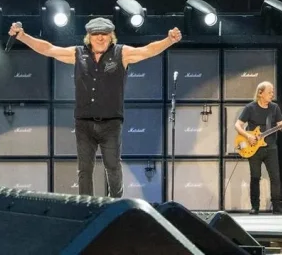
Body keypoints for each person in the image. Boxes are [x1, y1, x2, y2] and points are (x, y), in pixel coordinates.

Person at [9, 17, 181, 197]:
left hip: (111, 124)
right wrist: (23, 37)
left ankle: (115, 205)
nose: (100, 38)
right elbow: (48, 49)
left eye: (104, 34)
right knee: (84, 170)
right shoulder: (78, 54)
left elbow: (147, 50)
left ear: (111, 36)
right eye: (96, 34)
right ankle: (87, 207)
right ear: (89, 37)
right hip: (84, 123)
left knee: (113, 166)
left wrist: (169, 40)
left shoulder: (121, 53)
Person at [235, 81, 282, 214]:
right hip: (253, 147)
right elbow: (237, 125)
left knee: (275, 177)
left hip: (271, 147)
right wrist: (248, 136)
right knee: (255, 177)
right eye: (269, 92)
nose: (272, 94)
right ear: (260, 93)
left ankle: (276, 206)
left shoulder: (274, 108)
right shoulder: (250, 108)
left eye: (272, 92)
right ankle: (255, 207)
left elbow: (280, 127)